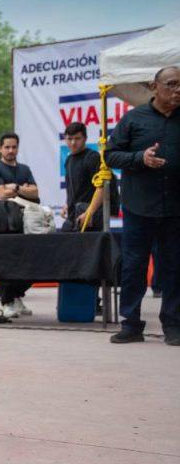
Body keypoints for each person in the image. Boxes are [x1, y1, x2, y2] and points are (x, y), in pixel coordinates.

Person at [105, 65, 180, 346]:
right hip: (139, 206)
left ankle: (173, 325)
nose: (178, 90)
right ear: (154, 86)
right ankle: (131, 324)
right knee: (134, 266)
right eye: (172, 84)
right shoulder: (134, 119)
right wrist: (139, 159)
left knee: (174, 267)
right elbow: (111, 155)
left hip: (175, 207)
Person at [0, 132, 40, 318]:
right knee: (6, 263)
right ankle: (7, 302)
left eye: (14, 147)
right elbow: (0, 194)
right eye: (7, 147)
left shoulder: (24, 169)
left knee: (29, 262)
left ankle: (16, 296)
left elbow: (36, 192)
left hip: (22, 223)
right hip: (0, 225)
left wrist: (15, 187)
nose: (10, 150)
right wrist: (21, 190)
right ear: (0, 148)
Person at [61, 121, 118, 230]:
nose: (73, 143)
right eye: (69, 139)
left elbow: (103, 188)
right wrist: (67, 204)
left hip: (90, 218)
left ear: (85, 138)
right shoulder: (68, 160)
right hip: (73, 215)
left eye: (77, 138)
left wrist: (89, 213)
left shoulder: (93, 158)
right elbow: (73, 189)